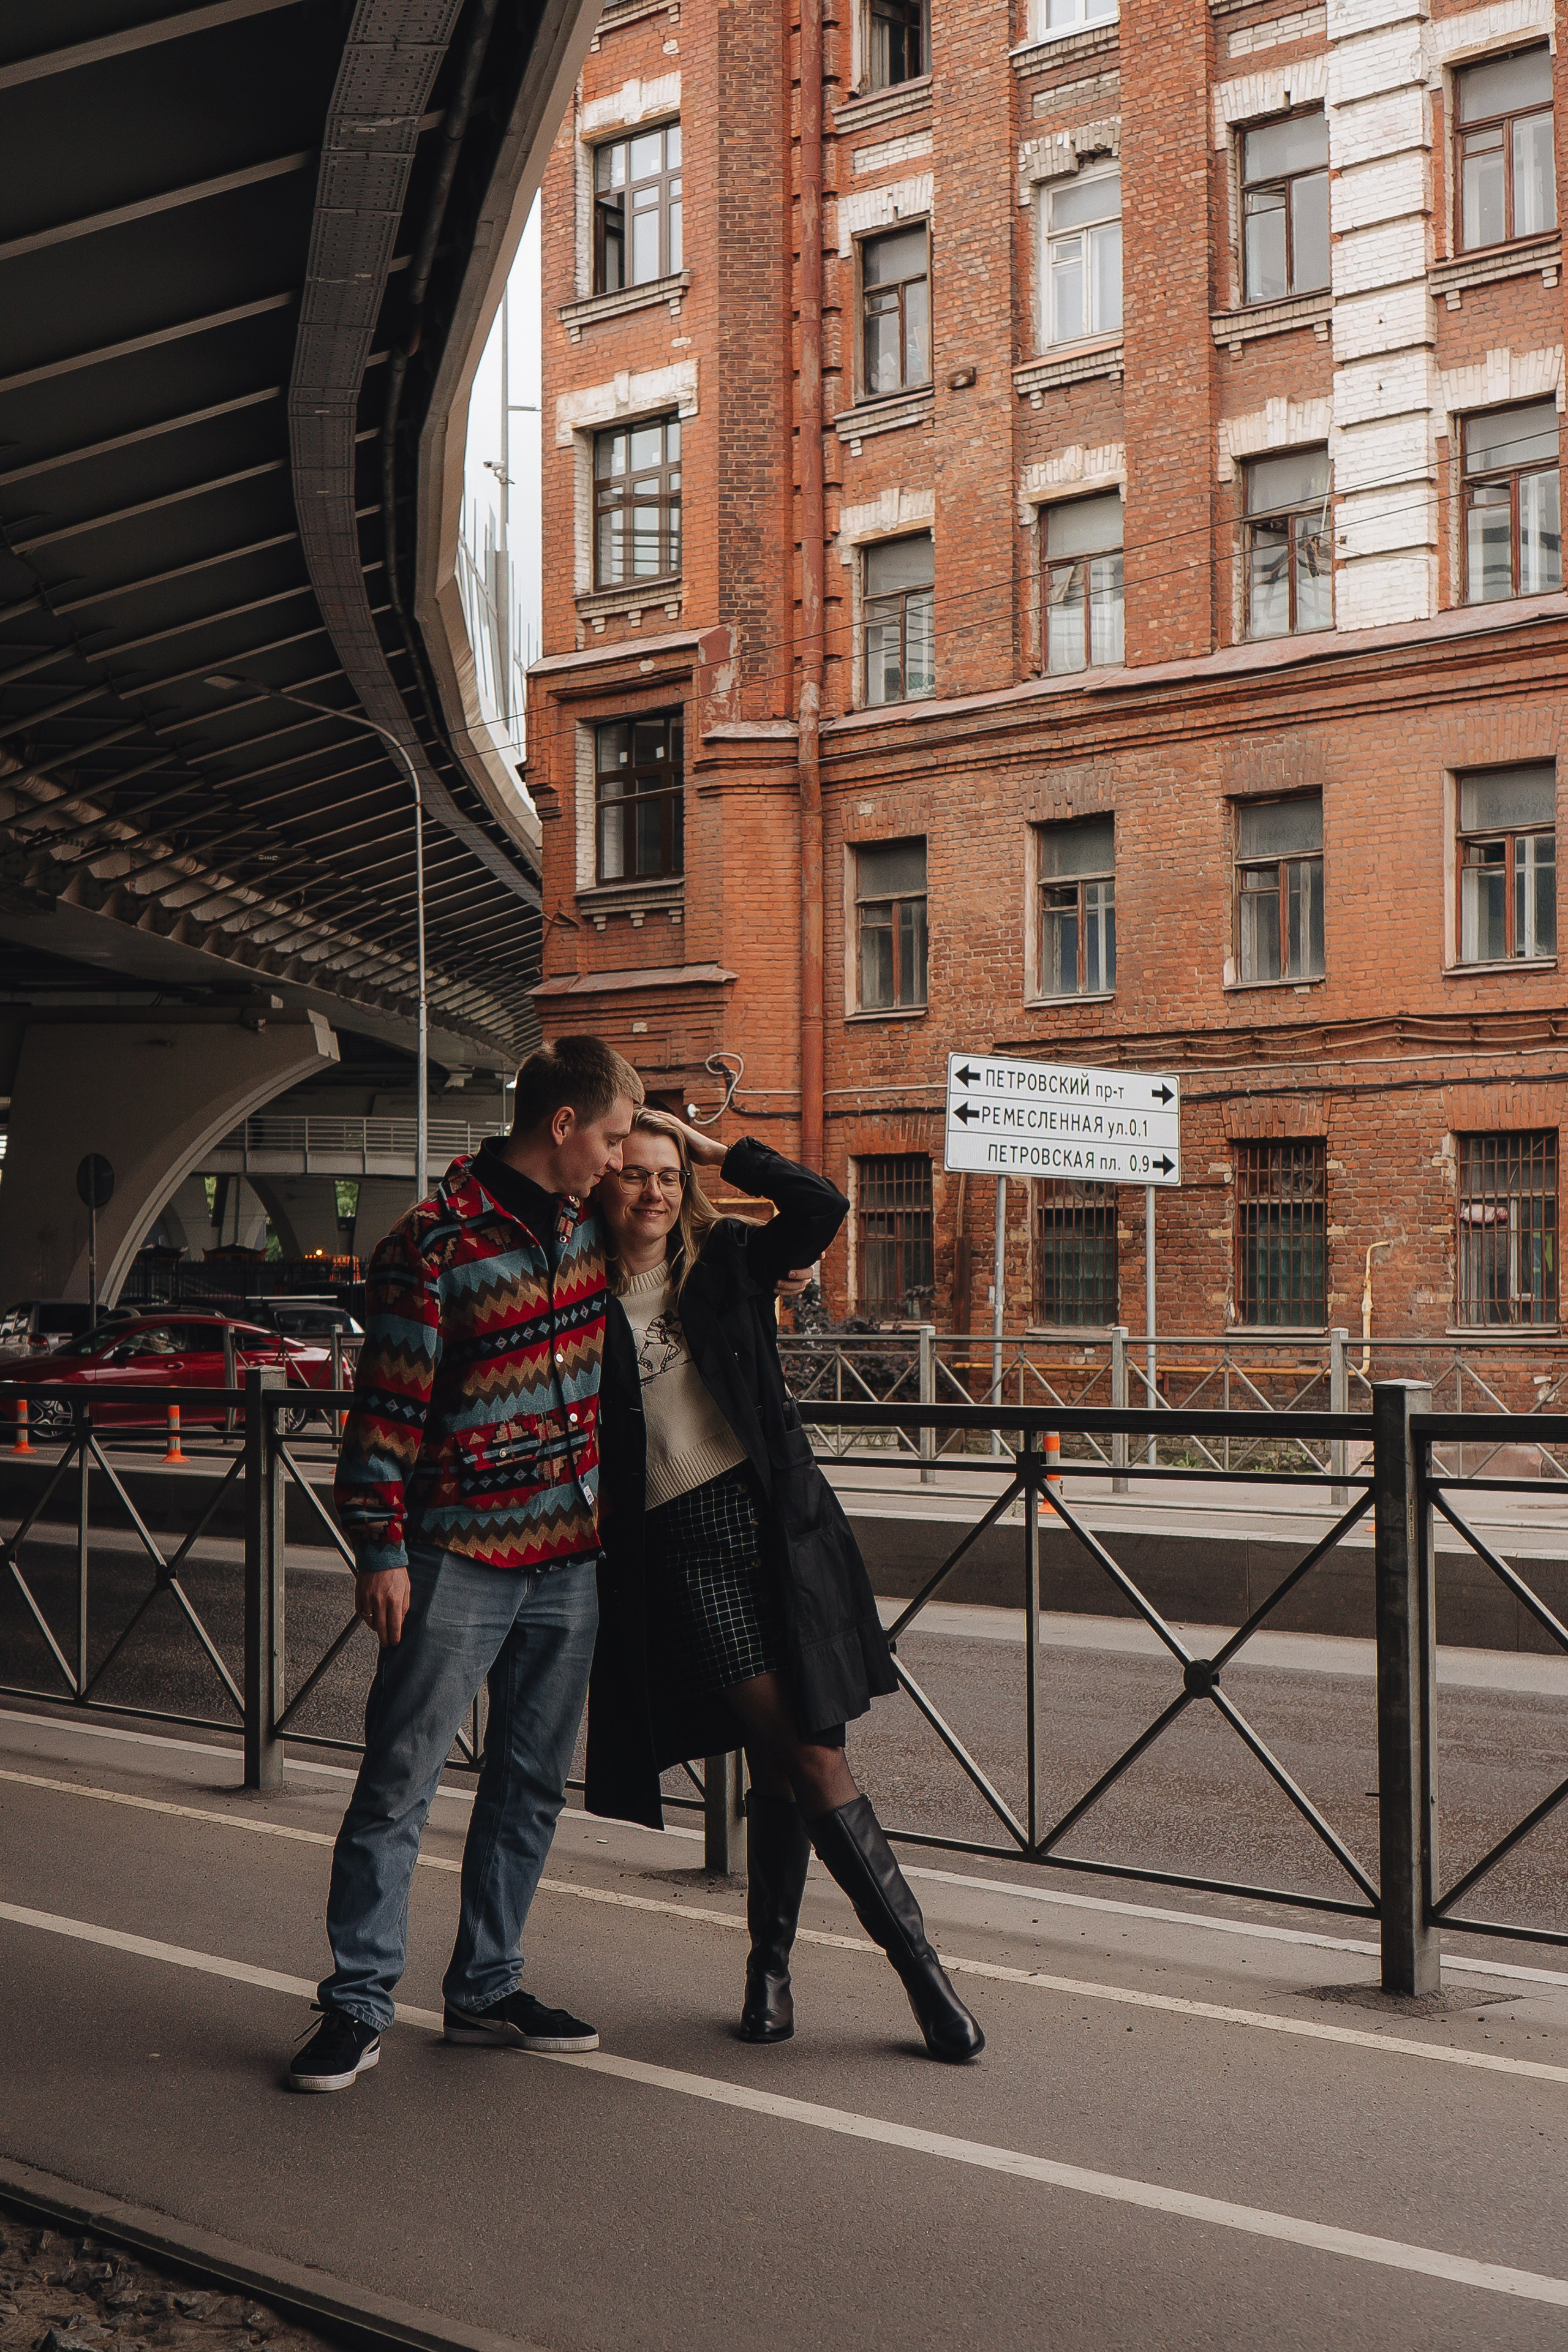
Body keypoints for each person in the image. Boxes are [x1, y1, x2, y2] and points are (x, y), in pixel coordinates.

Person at [586, 1110, 984, 2064]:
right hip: (678, 1549)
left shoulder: (724, 1260)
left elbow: (821, 1203)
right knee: (806, 1754)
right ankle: (925, 1979)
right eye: (634, 1174)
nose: (654, 1192)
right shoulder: (573, 1290)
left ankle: (770, 1974)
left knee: (783, 1759)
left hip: (776, 1531)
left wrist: (725, 1152)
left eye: (670, 1176)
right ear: (602, 1181)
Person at [287, 1035, 643, 2092]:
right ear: (563, 1126)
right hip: (455, 1559)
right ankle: (356, 2004)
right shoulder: (430, 1242)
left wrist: (686, 1134)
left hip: (569, 1559)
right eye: (614, 1137)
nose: (625, 1161)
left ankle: (485, 1988)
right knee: (400, 1782)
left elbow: (706, 1203)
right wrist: (381, 1548)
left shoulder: (592, 1225)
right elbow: (386, 1409)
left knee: (529, 1787)